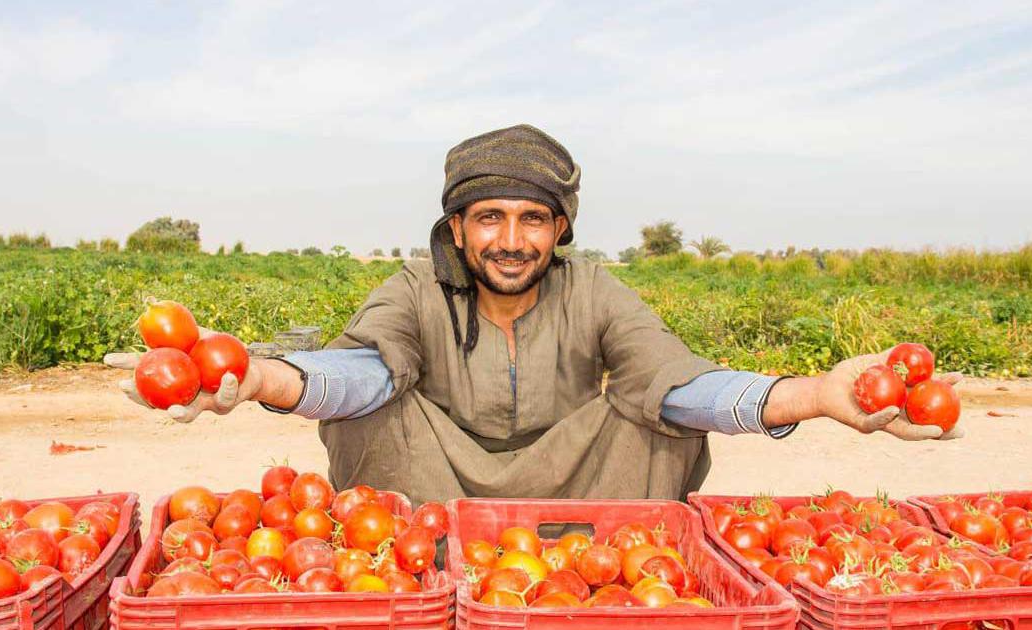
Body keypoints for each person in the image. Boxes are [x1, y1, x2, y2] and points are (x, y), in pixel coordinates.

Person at [105, 124, 961, 505]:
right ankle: (423, 559)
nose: (511, 241)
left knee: (647, 402)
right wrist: (261, 375)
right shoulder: (412, 290)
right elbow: (359, 369)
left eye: (532, 219)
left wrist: (815, 396)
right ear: (457, 227)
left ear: (559, 229)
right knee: (383, 397)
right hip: (427, 498)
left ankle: (607, 555)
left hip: (591, 500)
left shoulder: (596, 292)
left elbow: (682, 386)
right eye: (489, 217)